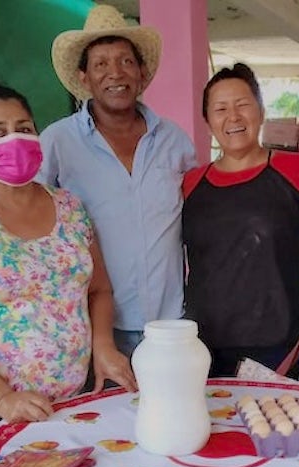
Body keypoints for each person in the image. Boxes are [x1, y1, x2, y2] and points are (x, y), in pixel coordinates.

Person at [0, 76, 135, 424]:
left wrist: (104, 347)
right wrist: (3, 399)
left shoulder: (70, 209)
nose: (14, 139)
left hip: (69, 405)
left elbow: (99, 289)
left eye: (24, 128)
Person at [43, 3, 197, 357]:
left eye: (126, 61)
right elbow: (22, 205)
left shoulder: (174, 140)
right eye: (101, 64)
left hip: (169, 324)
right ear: (84, 78)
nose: (115, 73)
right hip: (95, 330)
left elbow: (200, 210)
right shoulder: (57, 143)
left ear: (141, 73)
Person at [182, 64, 299, 377]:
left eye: (243, 105)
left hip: (280, 347)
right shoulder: (190, 183)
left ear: (262, 111)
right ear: (208, 121)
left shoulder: (298, 172)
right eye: (221, 109)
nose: (233, 117)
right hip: (202, 346)